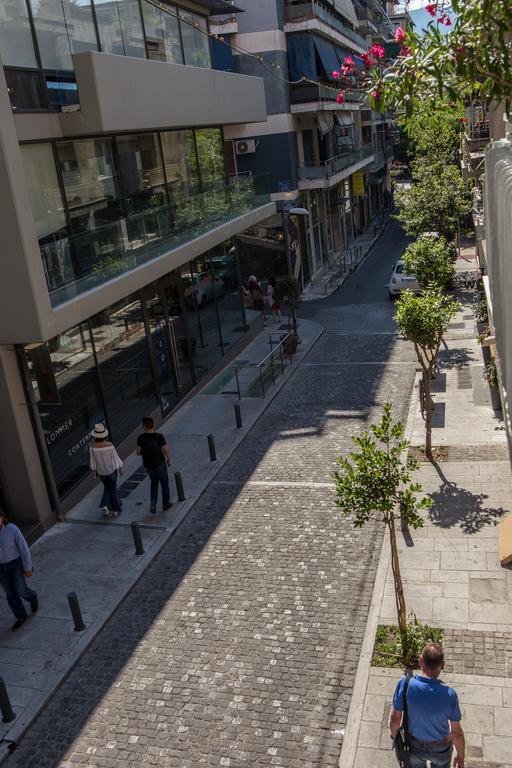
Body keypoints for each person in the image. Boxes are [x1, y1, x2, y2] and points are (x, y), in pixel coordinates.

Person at [390, 643, 465, 768]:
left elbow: (395, 719)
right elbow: (456, 733)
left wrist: (394, 736)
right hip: (441, 748)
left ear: (420, 661)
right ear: (442, 666)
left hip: (414, 746)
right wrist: (461, 756)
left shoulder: (405, 685)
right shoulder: (450, 695)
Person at [0, 510, 38, 630]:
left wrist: (28, 567)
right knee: (10, 593)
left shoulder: (12, 529)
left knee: (20, 589)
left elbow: (24, 549)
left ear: (1, 517)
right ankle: (21, 616)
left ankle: (32, 597)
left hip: (15, 564)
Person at [136, 417, 172, 514]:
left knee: (154, 484)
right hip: (160, 463)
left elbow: (138, 452)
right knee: (164, 484)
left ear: (144, 426)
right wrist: (169, 459)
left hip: (149, 466)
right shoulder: (159, 436)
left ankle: (153, 502)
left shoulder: (141, 438)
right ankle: (166, 504)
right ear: (153, 425)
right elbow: (165, 449)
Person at [89, 423, 123, 518]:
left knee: (108, 488)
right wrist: (120, 468)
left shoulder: (92, 447)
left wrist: (94, 472)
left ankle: (106, 506)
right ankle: (114, 509)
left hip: (101, 473)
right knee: (112, 489)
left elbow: (92, 461)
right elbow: (115, 458)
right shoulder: (110, 445)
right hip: (112, 471)